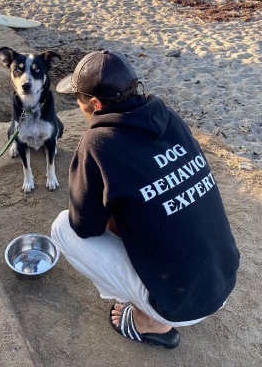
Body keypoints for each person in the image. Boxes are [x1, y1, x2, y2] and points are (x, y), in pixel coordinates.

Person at [51, 50, 240, 349]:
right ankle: (156, 307)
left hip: (180, 306)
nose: (78, 105)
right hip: (223, 278)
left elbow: (83, 226)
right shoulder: (167, 116)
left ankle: (150, 320)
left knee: (61, 229)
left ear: (95, 104)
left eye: (79, 99)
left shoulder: (98, 142)